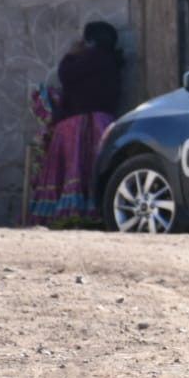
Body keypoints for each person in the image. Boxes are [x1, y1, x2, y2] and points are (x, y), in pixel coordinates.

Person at [28, 21, 123, 226]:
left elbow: (66, 74)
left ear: (91, 41)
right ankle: (95, 214)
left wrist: (71, 55)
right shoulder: (112, 60)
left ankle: (73, 215)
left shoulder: (91, 56)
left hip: (78, 124)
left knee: (75, 168)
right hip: (103, 123)